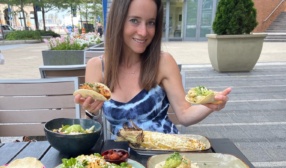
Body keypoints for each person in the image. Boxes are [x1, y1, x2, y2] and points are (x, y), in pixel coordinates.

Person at [74, 0, 231, 138]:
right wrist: (91, 112)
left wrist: (210, 105)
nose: (143, 32)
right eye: (134, 20)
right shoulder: (97, 67)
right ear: (118, 21)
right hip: (123, 163)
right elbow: (92, 126)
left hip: (165, 157)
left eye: (151, 22)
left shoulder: (163, 62)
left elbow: (184, 115)